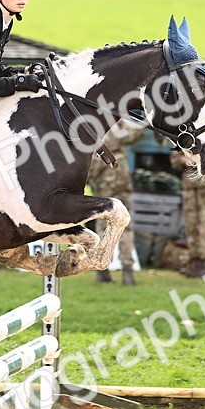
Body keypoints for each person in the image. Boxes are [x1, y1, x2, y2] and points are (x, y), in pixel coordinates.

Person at [87, 119, 145, 285]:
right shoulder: (118, 127)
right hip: (121, 179)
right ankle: (128, 271)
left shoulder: (93, 128)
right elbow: (136, 132)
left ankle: (102, 270)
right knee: (126, 227)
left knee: (103, 227)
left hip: (103, 183)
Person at [172, 150, 205, 278]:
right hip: (190, 187)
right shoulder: (184, 138)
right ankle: (195, 263)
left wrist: (201, 161)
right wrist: (184, 159)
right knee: (191, 225)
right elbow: (174, 160)